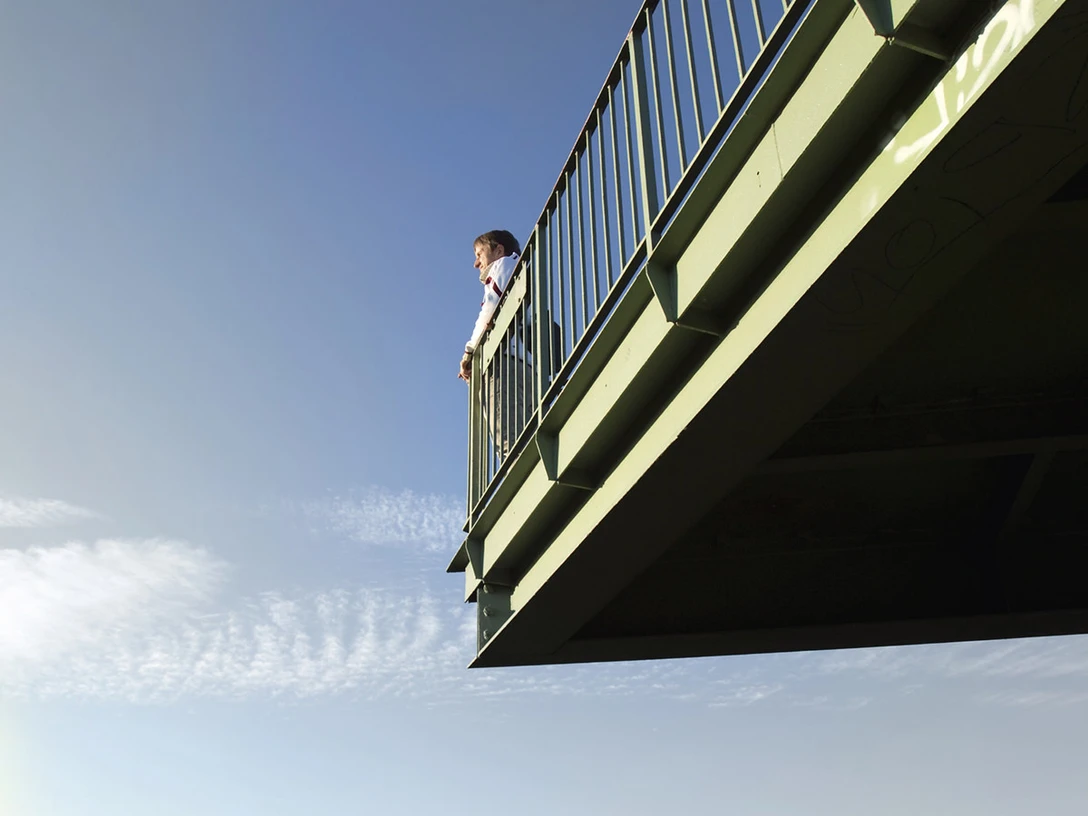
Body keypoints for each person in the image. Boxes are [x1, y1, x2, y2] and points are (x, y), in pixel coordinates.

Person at [459, 230, 527, 458]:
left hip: (503, 366)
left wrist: (469, 352)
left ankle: (520, 485)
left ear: (498, 250)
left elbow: (489, 308)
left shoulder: (504, 265)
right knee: (529, 431)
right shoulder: (523, 275)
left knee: (508, 440)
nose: (476, 262)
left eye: (480, 253)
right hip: (528, 368)